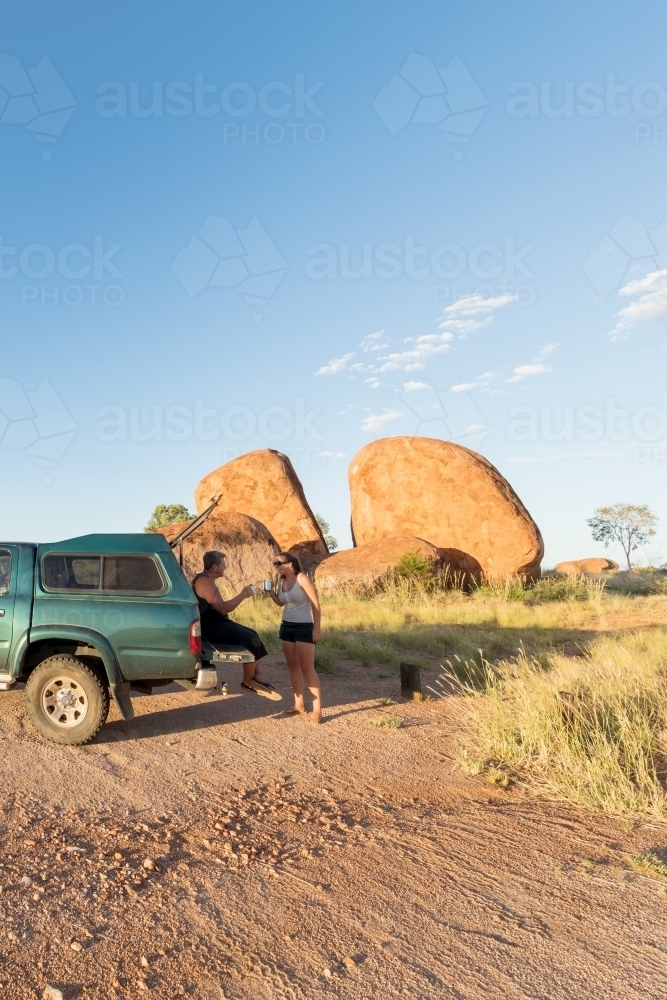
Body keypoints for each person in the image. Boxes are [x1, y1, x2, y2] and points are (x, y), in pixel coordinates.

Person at [193, 550, 281, 701]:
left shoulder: (207, 579)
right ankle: (248, 681)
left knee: (253, 634)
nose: (225, 567)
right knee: (250, 639)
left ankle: (258, 674)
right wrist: (243, 595)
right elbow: (222, 608)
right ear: (214, 567)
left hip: (216, 622)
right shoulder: (204, 581)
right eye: (223, 564)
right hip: (210, 627)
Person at [266, 551, 323, 723]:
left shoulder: (302, 578)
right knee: (292, 667)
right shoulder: (282, 580)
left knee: (307, 668)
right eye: (274, 564)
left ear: (290, 564)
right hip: (286, 626)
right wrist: (271, 594)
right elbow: (282, 602)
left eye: (278, 563)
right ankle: (298, 705)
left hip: (304, 626)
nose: (275, 566)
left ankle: (317, 711)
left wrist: (317, 628)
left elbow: (315, 603)